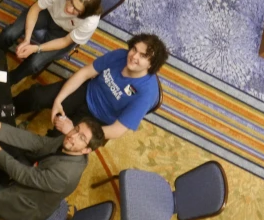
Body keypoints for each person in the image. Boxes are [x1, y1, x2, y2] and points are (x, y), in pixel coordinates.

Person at [0, 106, 106, 220]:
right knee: (7, 150)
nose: (72, 136)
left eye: (81, 138)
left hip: (24, 206)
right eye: (76, 129)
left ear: (86, 150)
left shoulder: (64, 176)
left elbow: (23, 175)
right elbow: (37, 142)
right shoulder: (69, 141)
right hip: (36, 175)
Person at [14, 33, 168, 140]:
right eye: (134, 49)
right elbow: (85, 73)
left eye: (143, 56)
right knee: (36, 95)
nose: (134, 56)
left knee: (57, 142)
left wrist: (76, 132)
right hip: (87, 91)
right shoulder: (120, 55)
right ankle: (7, 109)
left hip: (98, 119)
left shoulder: (147, 93)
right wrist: (58, 100)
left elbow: (117, 131)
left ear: (152, 64)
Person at [0, 0, 102, 84]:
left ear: (85, 14)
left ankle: (9, 80)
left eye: (76, 10)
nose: (69, 9)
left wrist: (36, 48)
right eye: (71, 2)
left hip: (65, 34)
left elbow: (65, 41)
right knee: (10, 33)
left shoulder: (90, 21)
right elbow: (35, 9)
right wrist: (27, 39)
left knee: (34, 64)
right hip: (47, 13)